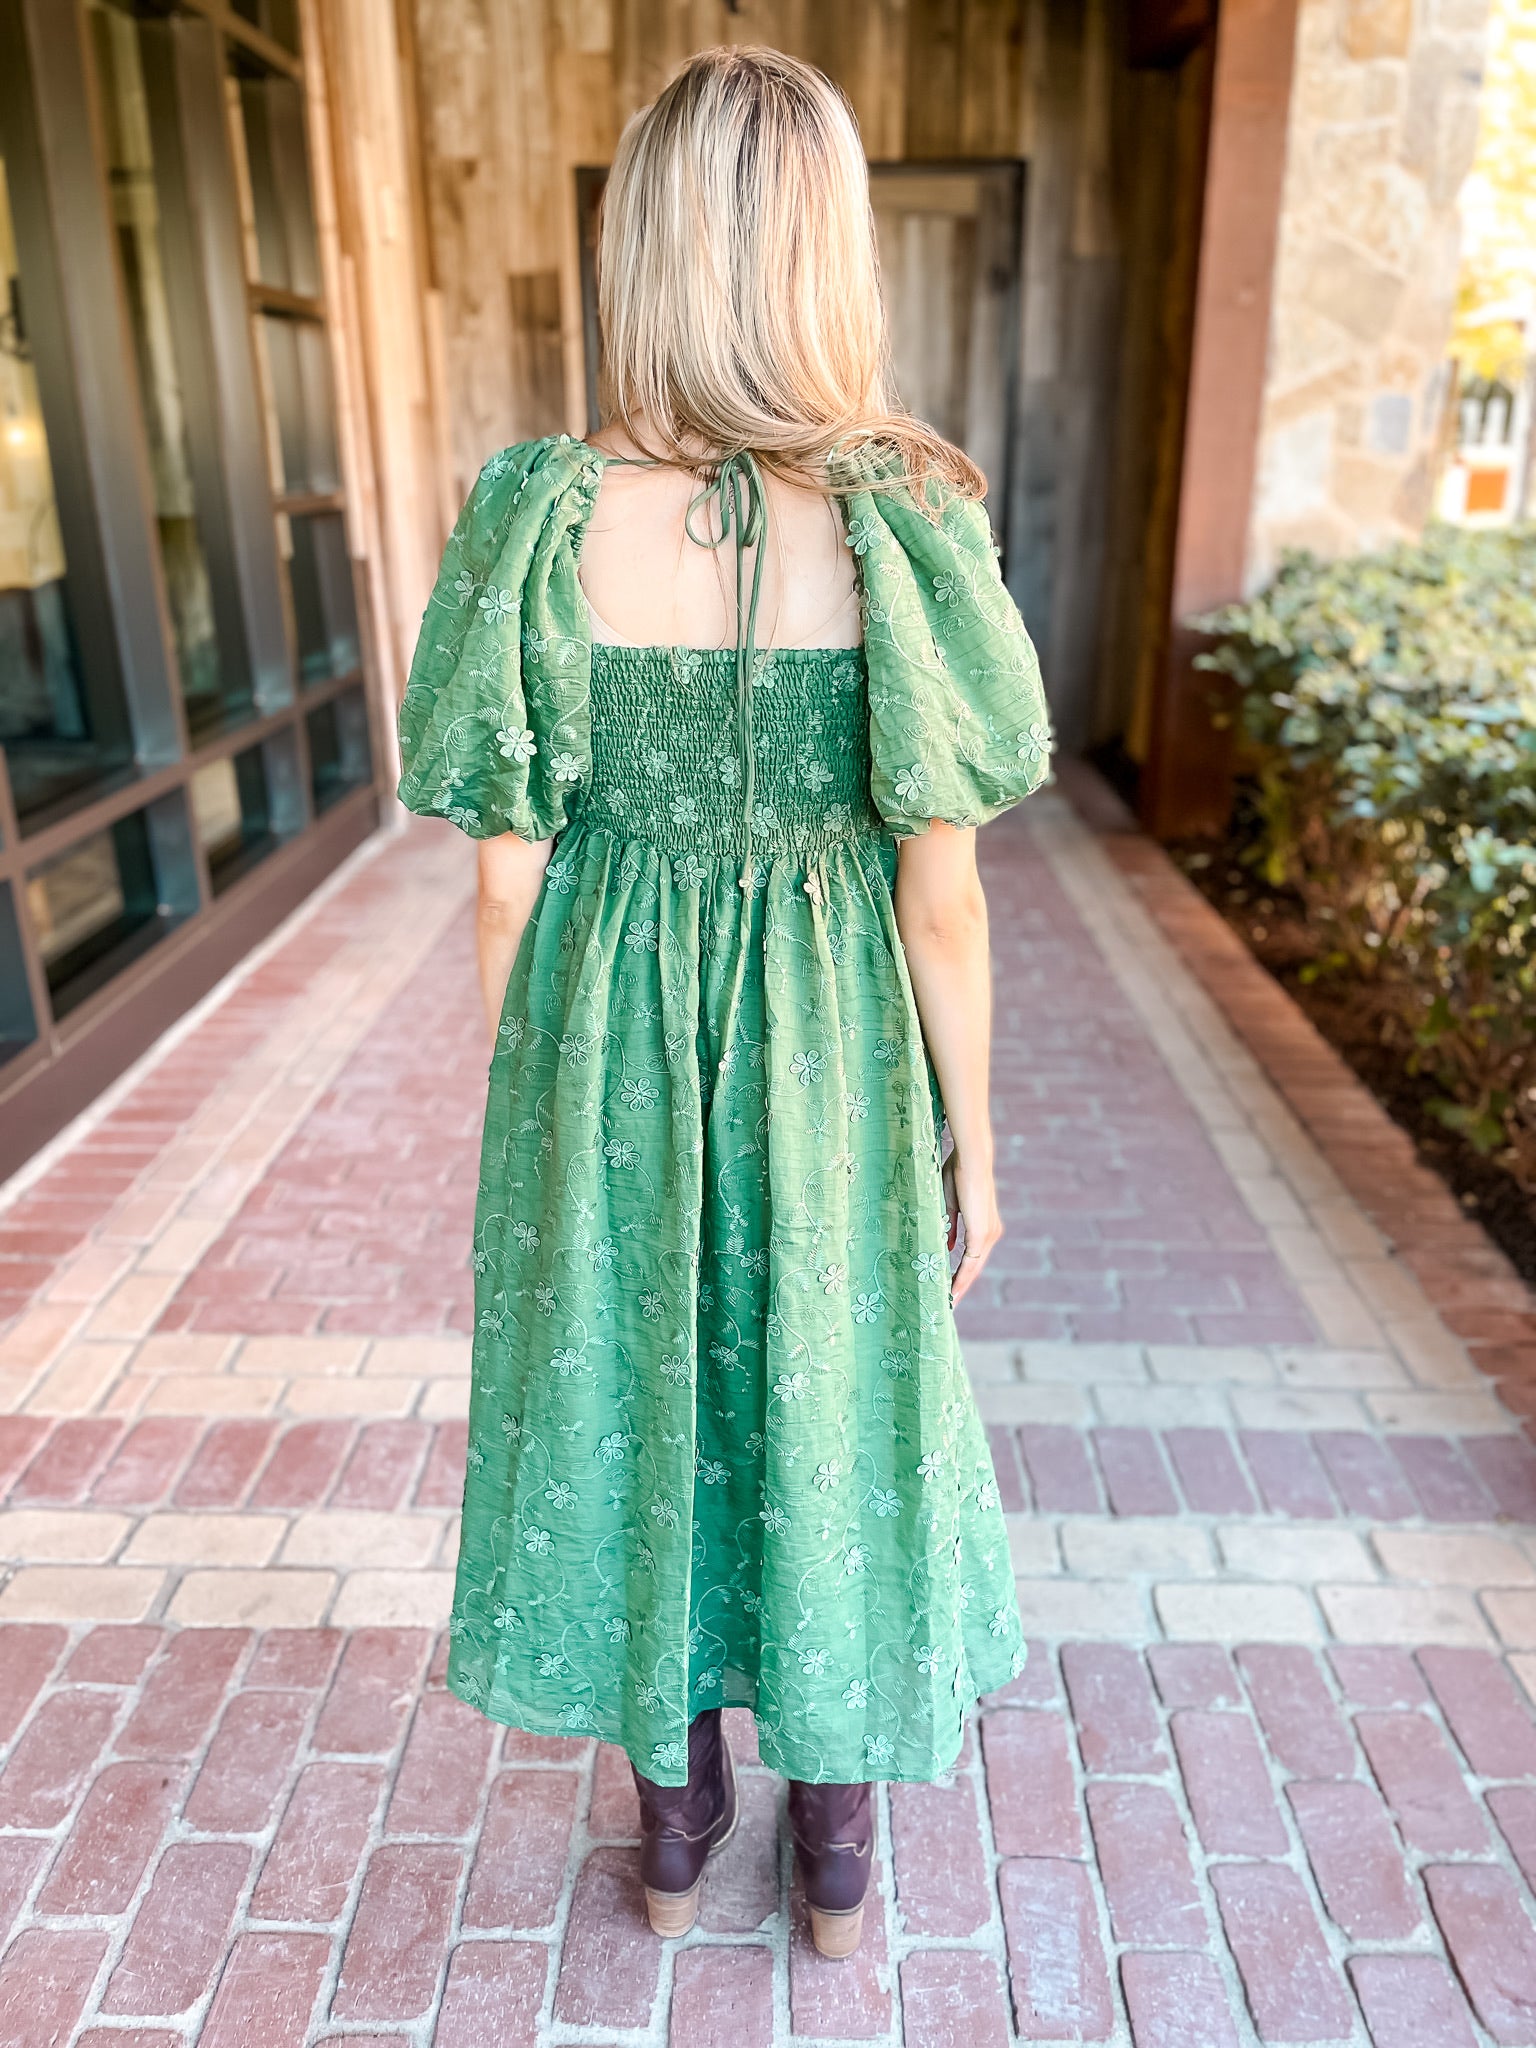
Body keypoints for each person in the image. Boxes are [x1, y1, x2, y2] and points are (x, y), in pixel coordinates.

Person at [396, 44, 1052, 1961]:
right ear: (828, 253)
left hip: (601, 1035)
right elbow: (944, 894)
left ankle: (676, 1833)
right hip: (837, 1046)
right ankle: (835, 1854)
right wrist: (975, 1136)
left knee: (629, 1395)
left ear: (645, 248)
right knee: (831, 1395)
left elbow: (504, 874)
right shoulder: (907, 522)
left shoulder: (538, 514)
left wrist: (540, 1106)